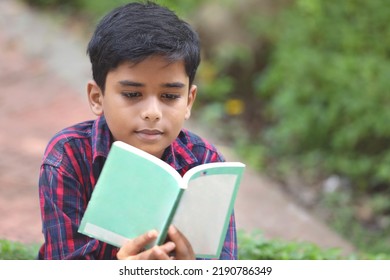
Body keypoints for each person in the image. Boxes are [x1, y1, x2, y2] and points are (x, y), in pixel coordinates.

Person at [38, 1, 237, 260]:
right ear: (97, 97)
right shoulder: (69, 157)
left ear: (189, 100)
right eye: (132, 94)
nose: (152, 112)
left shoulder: (206, 165)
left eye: (169, 95)